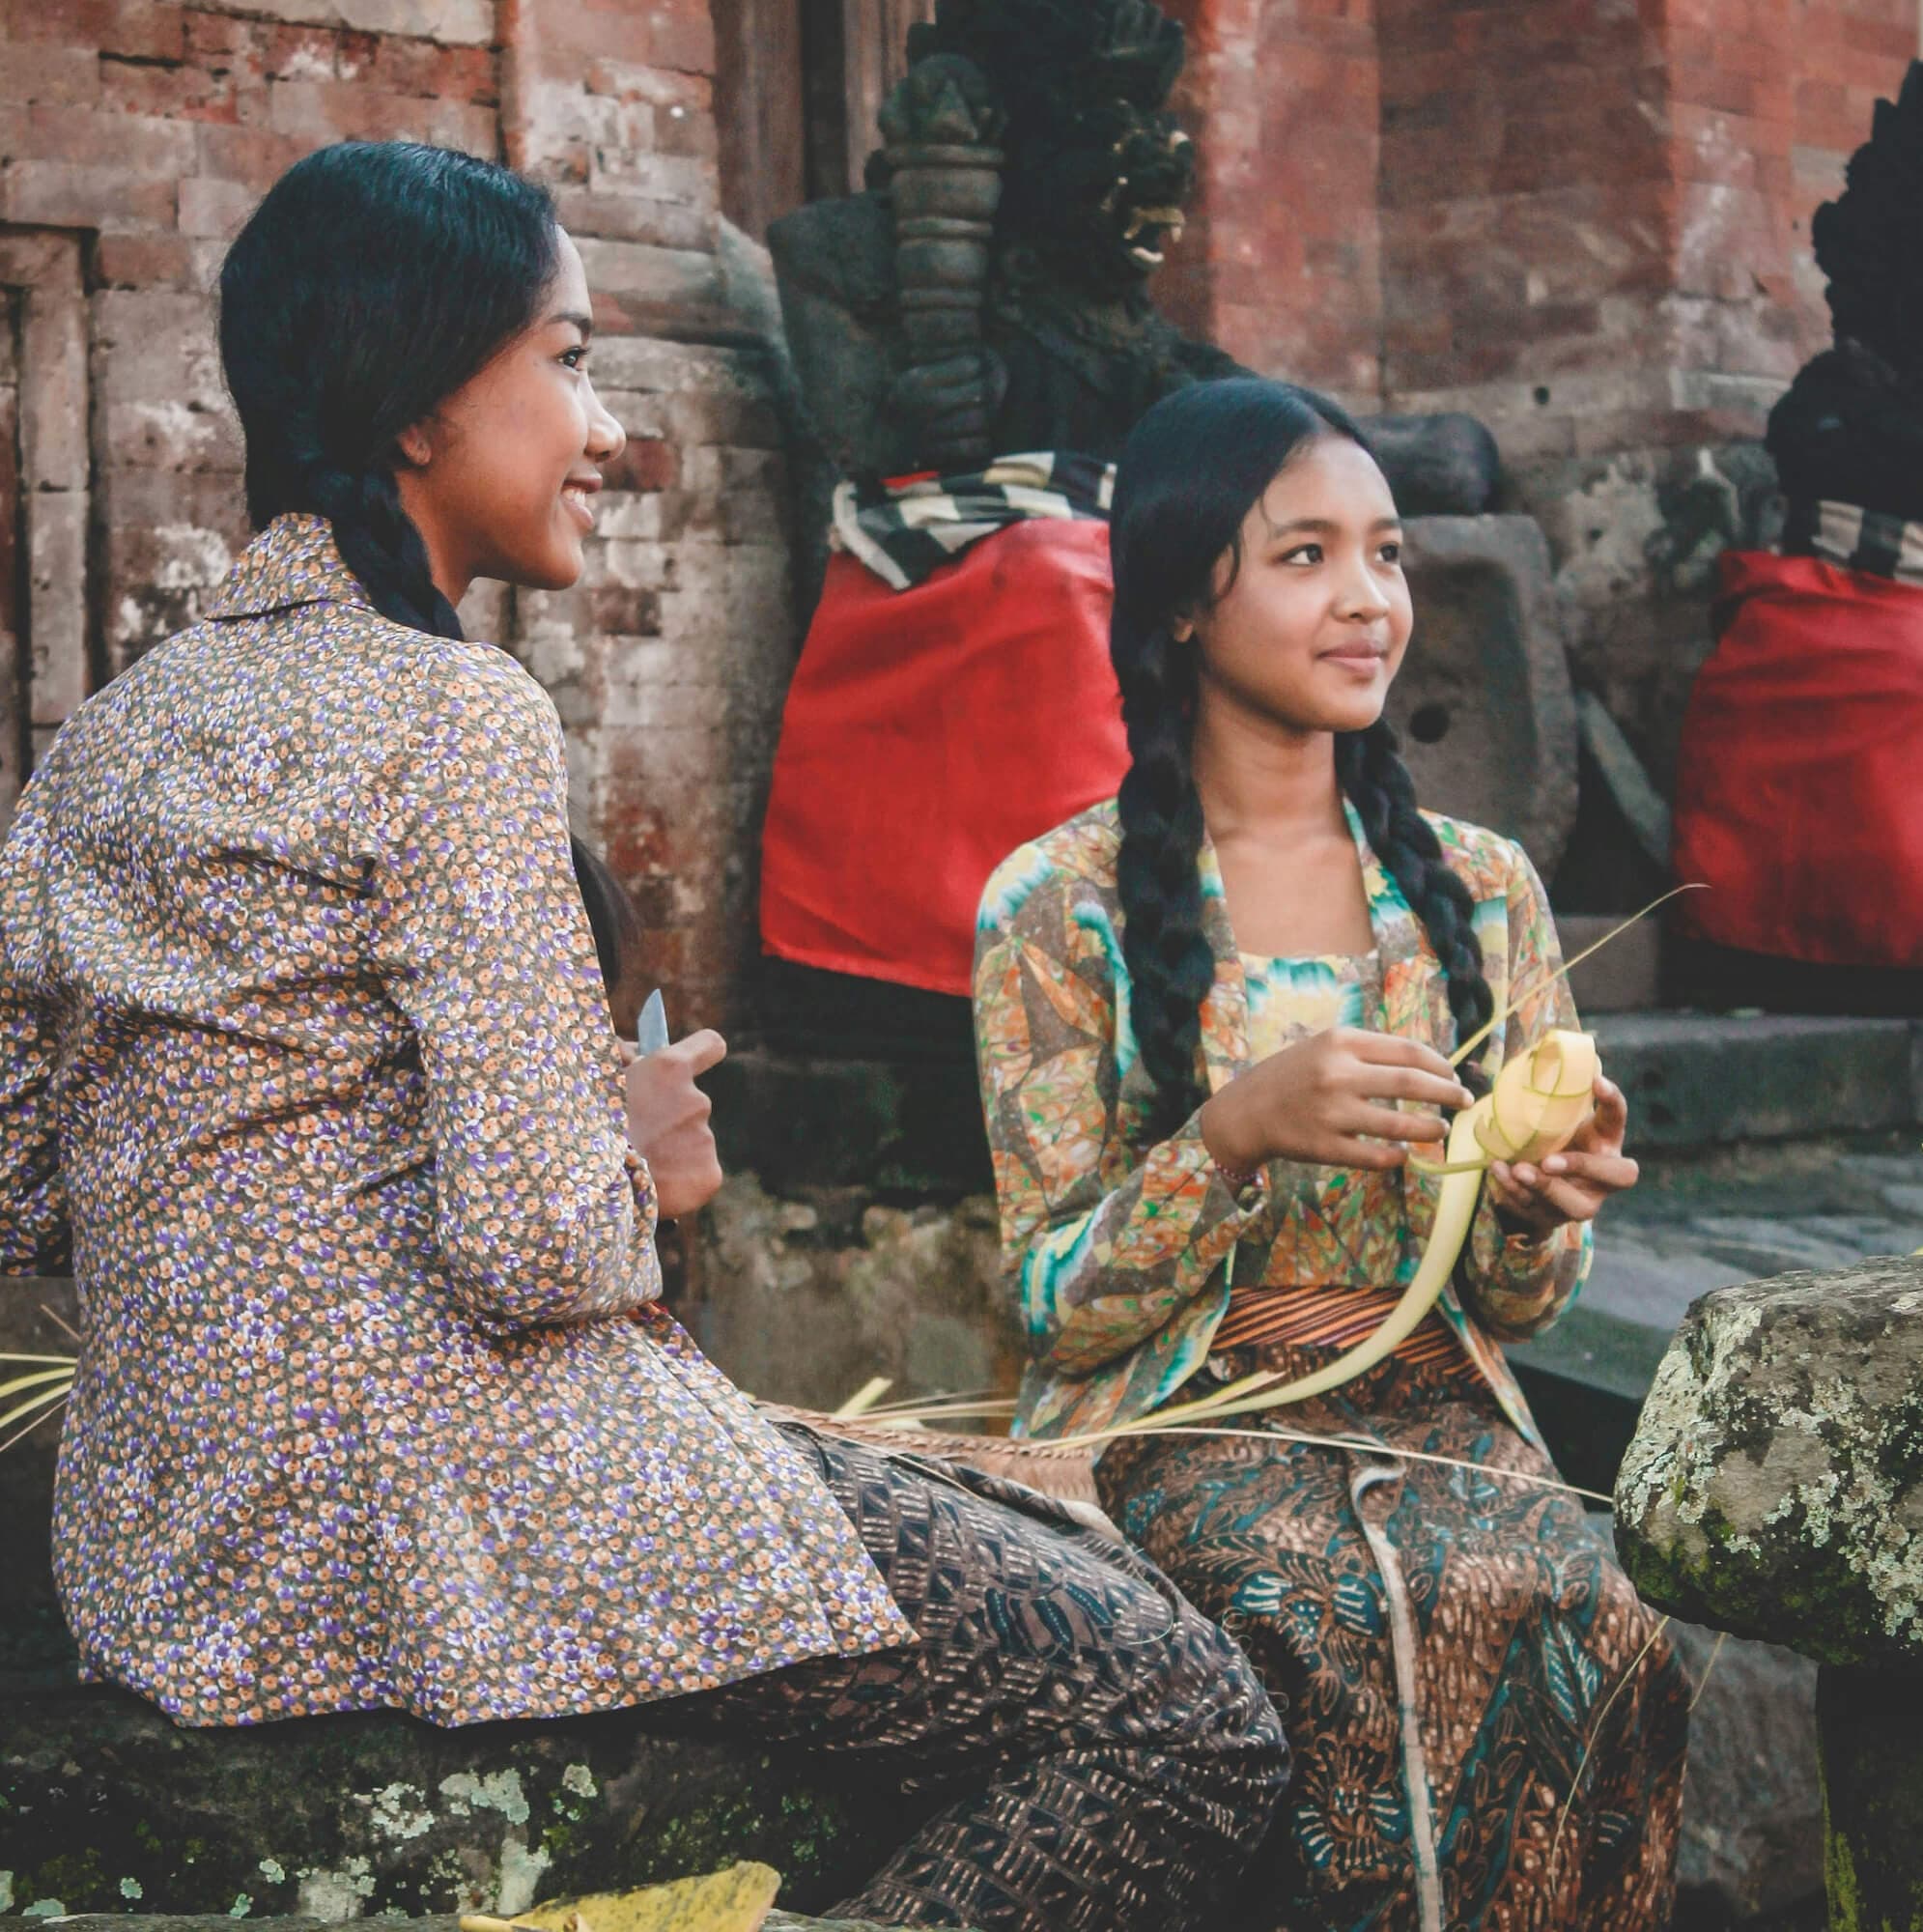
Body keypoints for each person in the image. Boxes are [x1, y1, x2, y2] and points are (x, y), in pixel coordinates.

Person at [0, 141, 1287, 1932]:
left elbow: (23, 1189)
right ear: (419, 397)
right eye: (569, 357)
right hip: (445, 1515)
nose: (605, 426)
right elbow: (534, 1249)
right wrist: (637, 1160)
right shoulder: (454, 717)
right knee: (1180, 1720)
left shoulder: (103, 741)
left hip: (176, 1551)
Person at [973, 378, 1685, 1932]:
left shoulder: (1484, 892)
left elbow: (1523, 1302)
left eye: (1387, 555)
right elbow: (1048, 1295)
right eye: (1306, 557)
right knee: (1320, 1617)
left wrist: (1534, 1198)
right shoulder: (1055, 904)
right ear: (1176, 605)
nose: (1369, 601)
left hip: (1432, 1402)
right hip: (1180, 1415)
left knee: (1597, 1616)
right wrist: (1228, 1136)